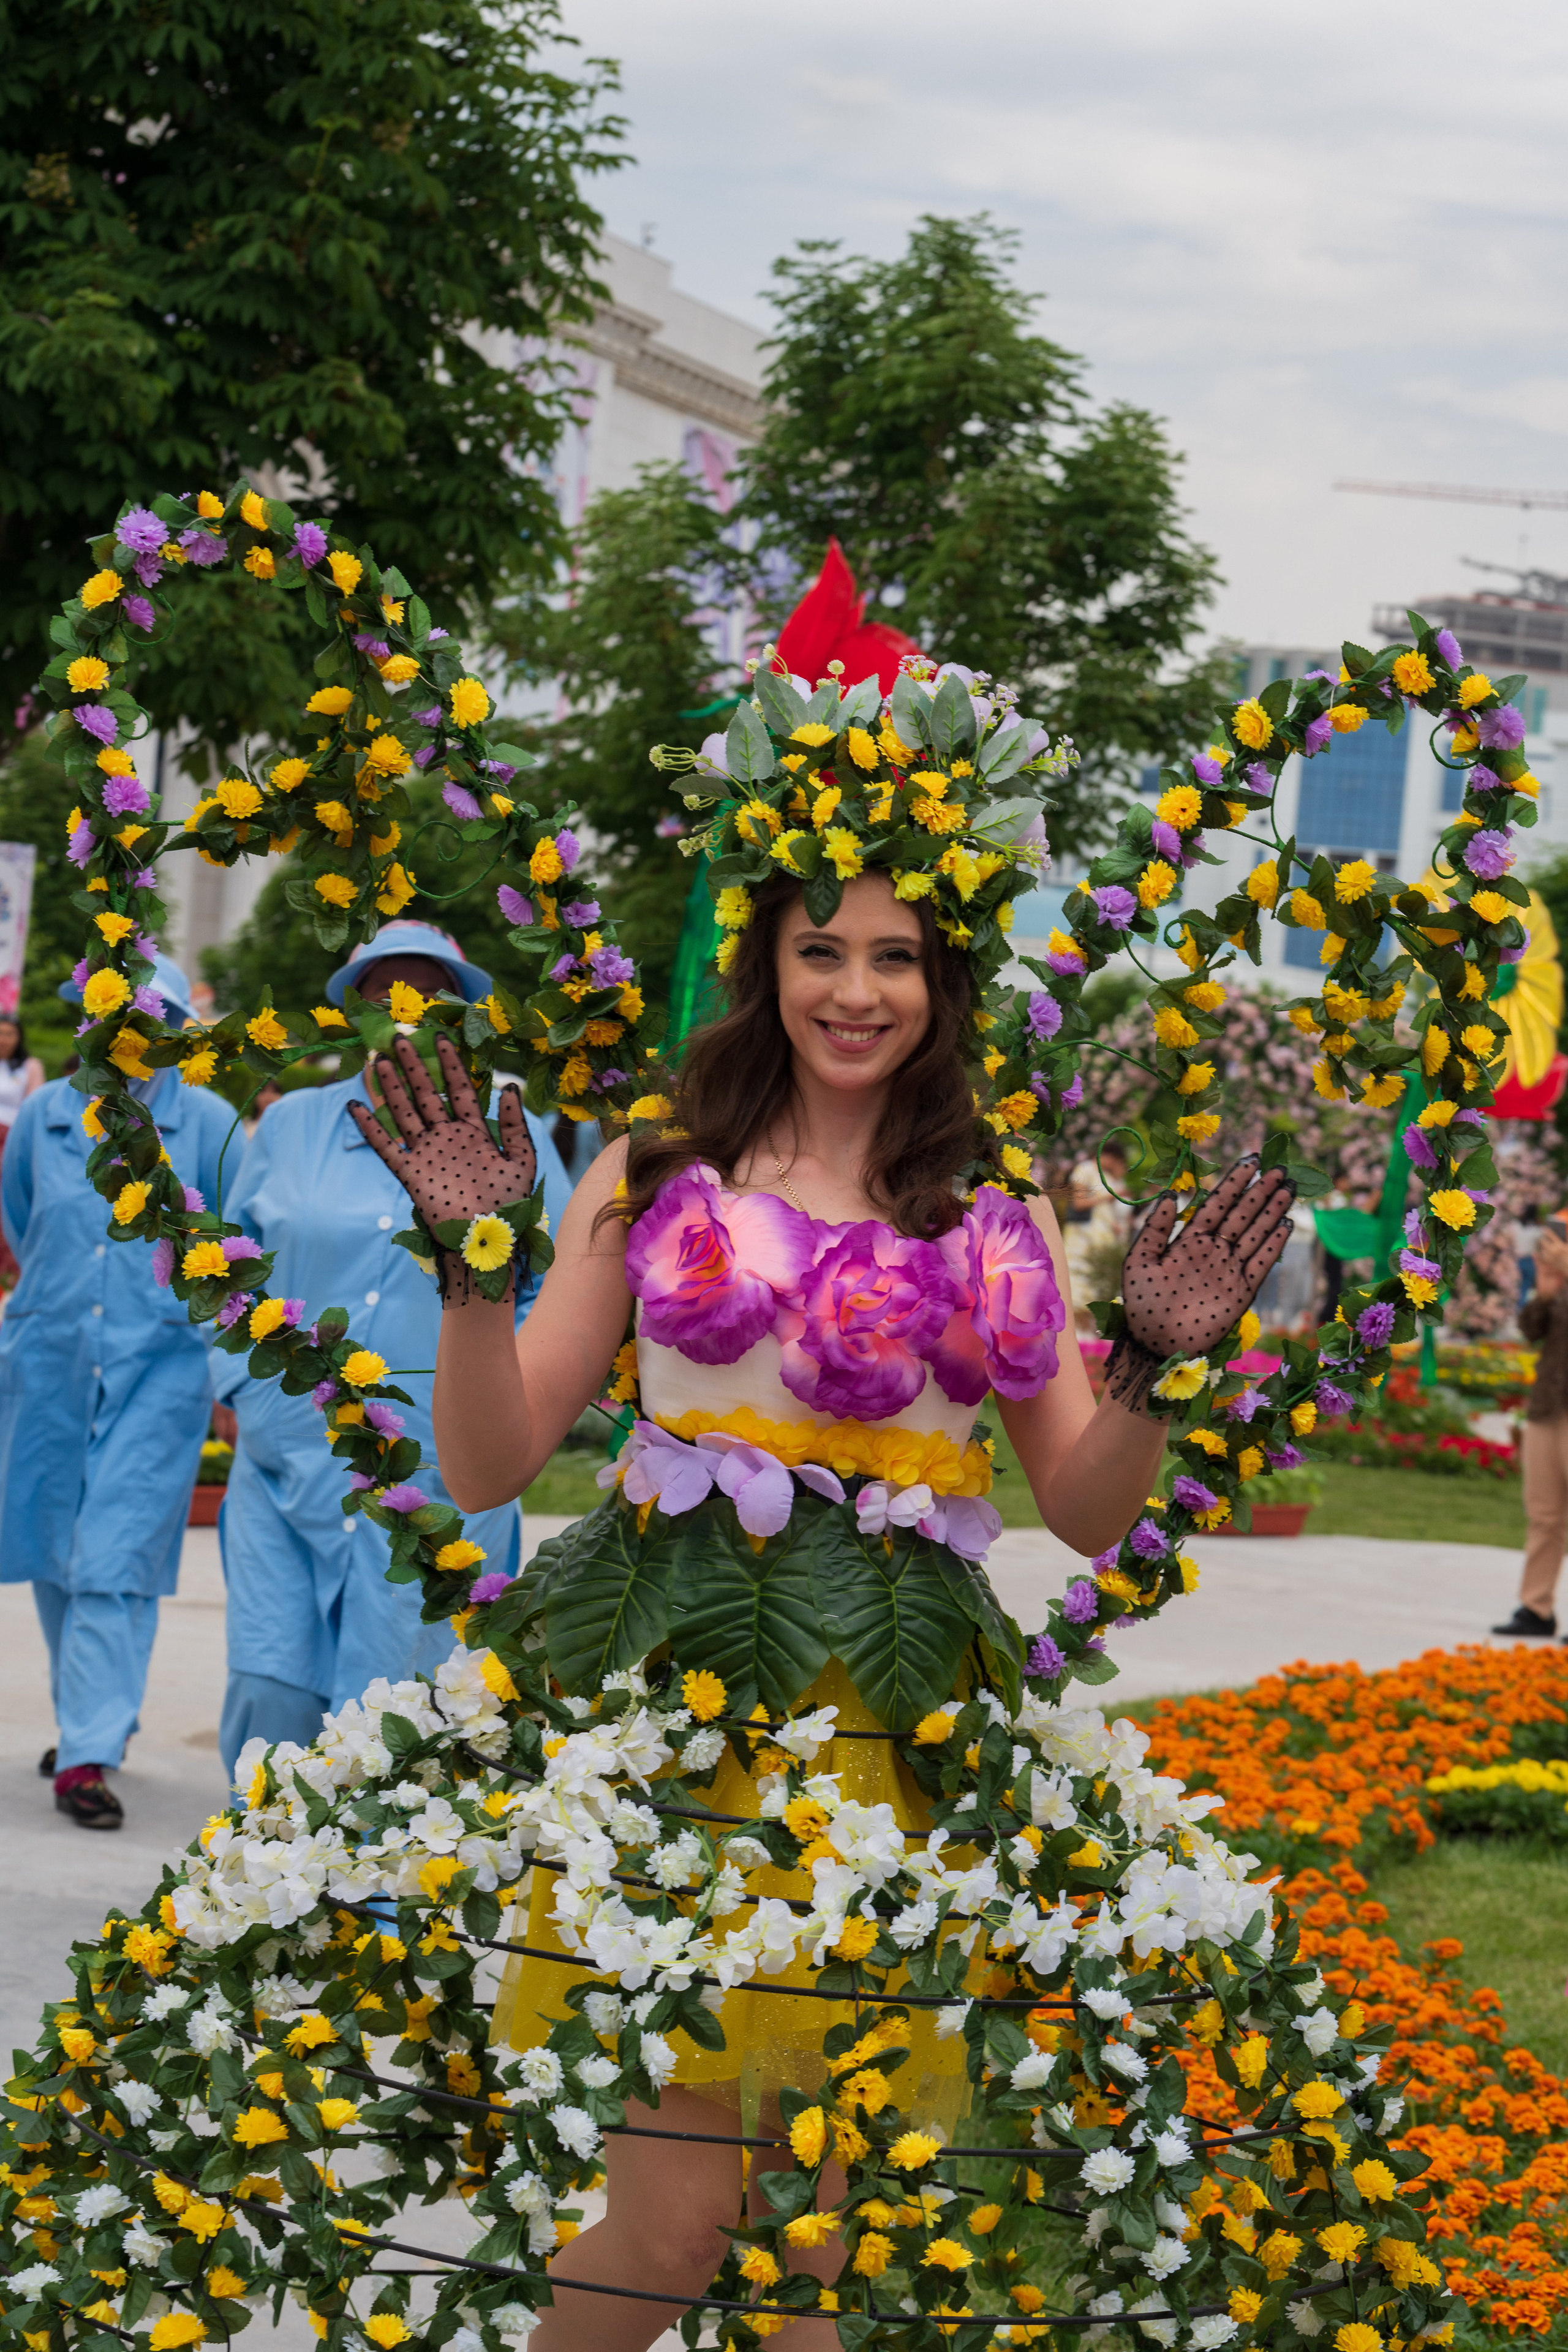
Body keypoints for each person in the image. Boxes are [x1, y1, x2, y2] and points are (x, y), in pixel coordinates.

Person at [352, 869, 1292, 2352]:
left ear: (942, 982)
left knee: (814, 2253)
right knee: (676, 2227)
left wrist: (1149, 1363)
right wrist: (474, 1272)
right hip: (672, 1753)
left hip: (885, 1759)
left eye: (894, 957)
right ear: (765, 967)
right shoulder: (651, 1173)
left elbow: (1084, 1506)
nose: (855, 991)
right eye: (821, 950)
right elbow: (485, 1462)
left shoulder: (991, 1212)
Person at [212, 921, 573, 1779]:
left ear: (465, 1016)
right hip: (289, 1460)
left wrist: (506, 1408)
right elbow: (230, 1269)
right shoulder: (289, 1125)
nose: (408, 1010)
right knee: (270, 1688)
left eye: (433, 995)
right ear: (353, 1010)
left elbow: (557, 1291)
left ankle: (380, 1872)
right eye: (386, 993)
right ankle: (268, 1855)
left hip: (444, 1479)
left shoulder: (510, 1135)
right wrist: (240, 1388)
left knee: (405, 1715)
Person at [0, 956, 233, 1828]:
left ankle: (87, 1753)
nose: (128, 1037)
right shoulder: (46, 1116)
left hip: (160, 1370)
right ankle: (88, 1722)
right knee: (55, 1547)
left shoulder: (208, 1123)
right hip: (51, 1357)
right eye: (113, 1018)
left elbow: (232, 1241)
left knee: (114, 1556)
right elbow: (22, 1216)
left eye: (149, 1021)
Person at [1493, 1214, 1568, 1638]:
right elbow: (1530, 1331)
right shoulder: (1556, 1281)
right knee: (1544, 1514)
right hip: (1547, 1409)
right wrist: (1545, 1294)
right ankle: (1536, 1608)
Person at [0, 1013, 46, 1286]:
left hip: (12, 1140)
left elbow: (33, 1108)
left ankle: (12, 1269)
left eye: (9, 1034)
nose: (4, 1040)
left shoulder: (29, 1067)